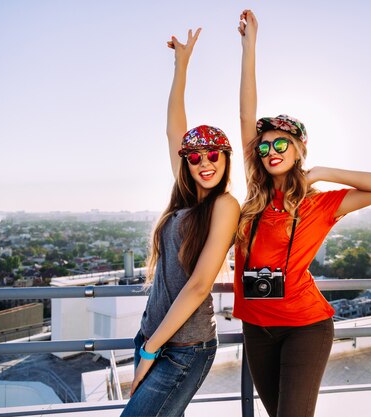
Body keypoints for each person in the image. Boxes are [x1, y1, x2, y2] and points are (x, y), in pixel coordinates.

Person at [235, 10, 371, 417]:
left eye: (282, 145)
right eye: (265, 145)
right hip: (256, 327)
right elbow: (245, 115)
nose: (271, 152)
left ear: (298, 151)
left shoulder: (320, 204)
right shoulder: (255, 195)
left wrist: (323, 173)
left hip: (305, 325)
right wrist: (249, 46)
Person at [121, 27, 240, 417]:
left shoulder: (224, 205)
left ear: (225, 160)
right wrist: (182, 64)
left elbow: (199, 285)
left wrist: (152, 349)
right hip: (154, 335)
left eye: (213, 156)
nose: (204, 164)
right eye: (195, 158)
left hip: (184, 347)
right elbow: (174, 128)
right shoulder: (186, 199)